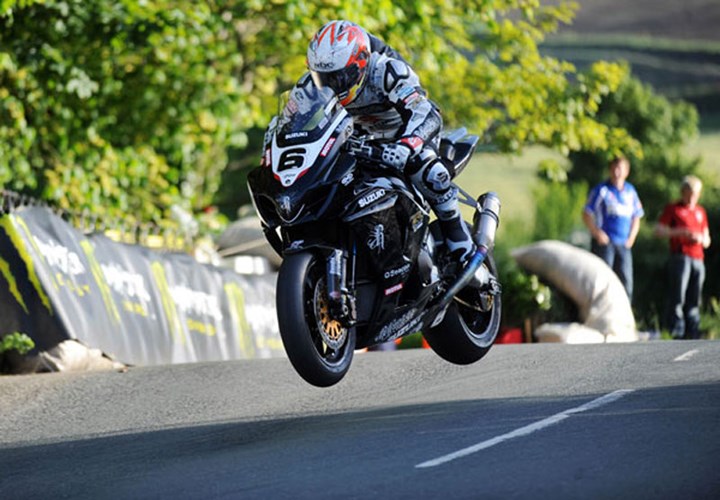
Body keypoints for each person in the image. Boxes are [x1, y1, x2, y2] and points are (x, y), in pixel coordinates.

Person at [298, 20, 476, 271]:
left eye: (339, 77)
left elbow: (426, 113)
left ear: (360, 63)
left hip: (405, 133)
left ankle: (460, 241)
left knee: (427, 169)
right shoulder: (308, 85)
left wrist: (408, 145)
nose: (332, 85)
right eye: (323, 78)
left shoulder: (388, 71)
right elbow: (294, 121)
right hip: (357, 139)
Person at [654, 175, 711, 339]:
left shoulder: (700, 212)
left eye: (696, 193)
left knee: (695, 296)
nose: (693, 196)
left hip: (698, 258)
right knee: (678, 295)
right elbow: (658, 230)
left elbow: (707, 239)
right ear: (683, 191)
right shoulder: (673, 209)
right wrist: (681, 232)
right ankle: (676, 329)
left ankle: (692, 329)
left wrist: (700, 238)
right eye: (690, 192)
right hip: (681, 257)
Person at [582, 156, 644, 300]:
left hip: (623, 244)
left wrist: (632, 237)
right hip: (605, 244)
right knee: (603, 280)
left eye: (620, 169)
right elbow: (586, 214)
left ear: (626, 171)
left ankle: (624, 316)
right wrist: (597, 233)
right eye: (614, 168)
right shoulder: (602, 190)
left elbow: (637, 216)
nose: (617, 172)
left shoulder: (630, 192)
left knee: (626, 281)